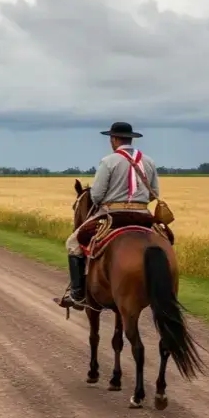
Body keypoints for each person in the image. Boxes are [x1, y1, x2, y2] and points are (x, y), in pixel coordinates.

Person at [56, 122, 162, 310]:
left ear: (113, 139)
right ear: (131, 139)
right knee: (165, 239)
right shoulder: (149, 161)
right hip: (144, 216)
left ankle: (77, 294)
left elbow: (96, 195)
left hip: (113, 215)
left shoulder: (109, 161)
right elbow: (155, 192)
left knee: (73, 243)